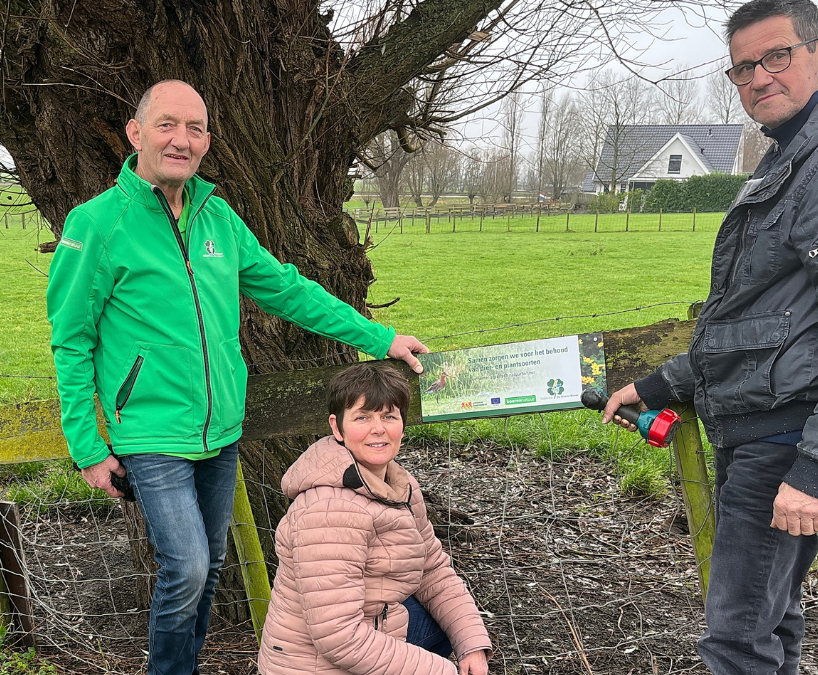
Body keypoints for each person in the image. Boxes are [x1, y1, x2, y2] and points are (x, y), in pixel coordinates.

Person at [46, 80, 429, 675]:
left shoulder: (215, 215)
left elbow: (283, 287)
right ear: (136, 133)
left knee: (213, 566)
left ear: (206, 141)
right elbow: (71, 341)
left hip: (221, 430)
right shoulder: (97, 224)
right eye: (168, 124)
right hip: (150, 433)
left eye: (196, 128)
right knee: (189, 567)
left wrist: (378, 338)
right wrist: (87, 447)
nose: (183, 140)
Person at [602, 2, 818, 673]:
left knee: (737, 640)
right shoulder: (797, 154)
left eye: (775, 55)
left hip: (785, 442)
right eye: (743, 67)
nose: (758, 77)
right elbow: (764, 317)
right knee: (768, 623)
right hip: (763, 433)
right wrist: (664, 382)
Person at [258, 362, 492, 675]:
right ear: (337, 427)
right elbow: (340, 638)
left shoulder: (399, 486)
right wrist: (441, 670)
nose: (378, 428)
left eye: (388, 416)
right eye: (362, 417)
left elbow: (432, 570)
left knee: (439, 614)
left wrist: (472, 645)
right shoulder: (328, 511)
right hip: (315, 664)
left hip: (369, 631)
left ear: (402, 424)